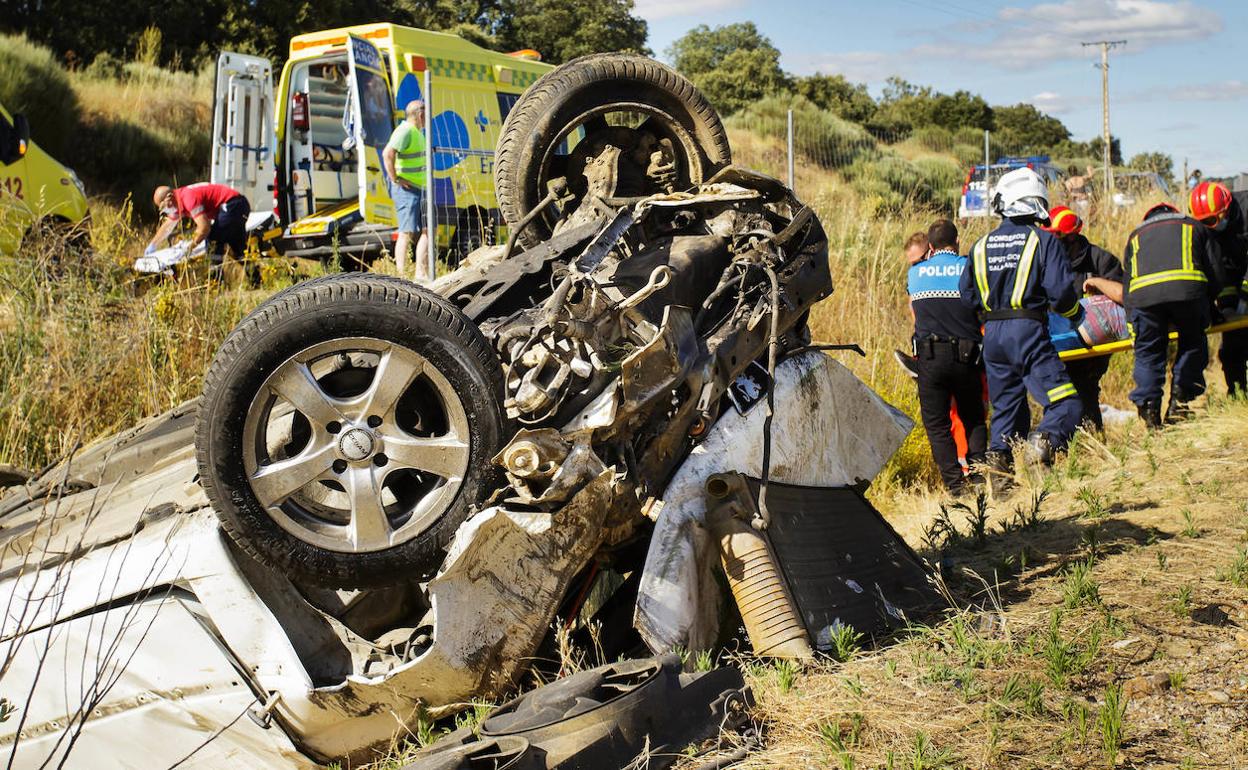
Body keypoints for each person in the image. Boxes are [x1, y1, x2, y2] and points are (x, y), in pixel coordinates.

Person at [959, 167, 1084, 473]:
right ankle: (1043, 443)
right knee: (1066, 403)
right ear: (1036, 199)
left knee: (1007, 411)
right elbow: (1062, 293)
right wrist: (1074, 315)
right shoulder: (1043, 240)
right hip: (1027, 331)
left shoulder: (980, 245)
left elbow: (967, 296)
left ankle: (999, 474)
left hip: (994, 338)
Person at [1122, 202, 1225, 427]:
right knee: (1192, 342)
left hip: (1144, 299)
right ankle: (1180, 401)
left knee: (1148, 352)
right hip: (1188, 293)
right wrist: (1210, 302)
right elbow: (1216, 271)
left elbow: (1127, 284)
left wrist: (1132, 319)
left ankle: (1149, 411)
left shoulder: (1135, 235)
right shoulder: (1193, 226)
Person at [908, 219, 987, 494]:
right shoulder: (968, 268)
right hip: (966, 356)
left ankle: (956, 487)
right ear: (957, 242)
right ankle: (978, 478)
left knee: (937, 424)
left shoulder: (915, 274)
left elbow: (916, 313)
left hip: (930, 359)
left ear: (930, 246)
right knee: (974, 417)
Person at [1043, 205, 1125, 431]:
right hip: (1057, 341)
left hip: (1092, 344)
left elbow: (1124, 294)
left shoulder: (1100, 260)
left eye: (1056, 238)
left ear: (1072, 237)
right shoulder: (1046, 263)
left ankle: (1091, 438)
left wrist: (1099, 286)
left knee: (1085, 388)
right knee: (1059, 394)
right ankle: (1067, 442)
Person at [1189, 181, 1248, 396]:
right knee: (1232, 345)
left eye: (1212, 220)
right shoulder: (1207, 229)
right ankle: (1238, 393)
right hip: (1231, 279)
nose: (1210, 227)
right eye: (1203, 223)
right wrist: (1226, 305)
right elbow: (1215, 267)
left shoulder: (1246, 208)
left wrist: (1245, 296)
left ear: (1225, 210)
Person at [148, 182, 250, 274]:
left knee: (213, 240)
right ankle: (256, 279)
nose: (166, 210)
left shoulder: (188, 199)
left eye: (164, 206)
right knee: (237, 247)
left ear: (169, 197)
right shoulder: (177, 201)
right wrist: (153, 244)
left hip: (233, 205)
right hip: (238, 205)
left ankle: (216, 282)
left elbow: (204, 228)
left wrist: (189, 248)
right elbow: (168, 225)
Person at [382, 100, 430, 281]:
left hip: (420, 189)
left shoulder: (417, 132)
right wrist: (395, 179)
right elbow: (388, 153)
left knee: (427, 230)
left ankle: (421, 273)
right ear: (420, 114)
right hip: (408, 190)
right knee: (406, 232)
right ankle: (401, 276)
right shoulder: (405, 131)